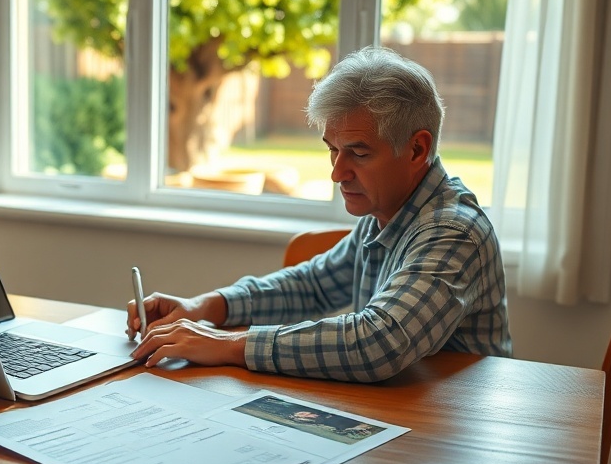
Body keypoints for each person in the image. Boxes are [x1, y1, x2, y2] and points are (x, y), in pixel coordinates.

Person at [129, 46, 510, 383]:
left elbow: (379, 342)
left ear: (416, 150)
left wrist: (230, 343)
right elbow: (313, 285)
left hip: (457, 435)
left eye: (358, 154)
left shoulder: (454, 230)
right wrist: (205, 306)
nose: (336, 173)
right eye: (333, 149)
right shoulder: (387, 213)